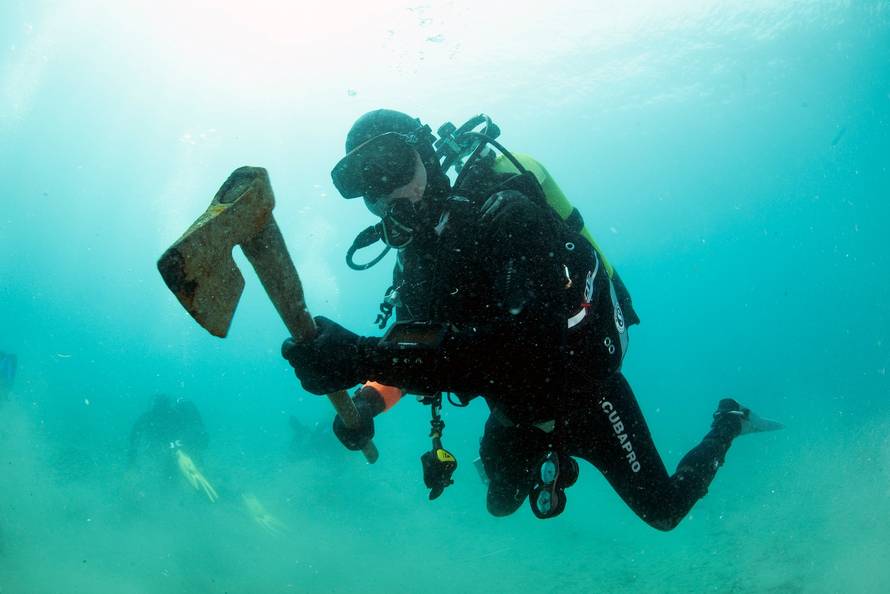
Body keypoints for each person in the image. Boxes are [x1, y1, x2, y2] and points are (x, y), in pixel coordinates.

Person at [282, 109, 782, 529]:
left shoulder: (509, 216)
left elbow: (523, 349)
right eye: (367, 184)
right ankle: (550, 460)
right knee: (499, 505)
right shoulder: (415, 266)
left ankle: (729, 420)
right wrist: (367, 401)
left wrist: (360, 356)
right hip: (514, 413)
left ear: (427, 156)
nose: (387, 194)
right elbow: (410, 355)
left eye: (393, 166)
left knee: (665, 511)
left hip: (585, 396)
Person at [127, 394, 218, 502]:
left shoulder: (152, 416)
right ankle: (178, 492)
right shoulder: (172, 415)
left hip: (178, 449)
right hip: (178, 449)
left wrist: (132, 460)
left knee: (172, 471)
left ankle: (172, 492)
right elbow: (135, 436)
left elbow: (135, 437)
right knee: (174, 470)